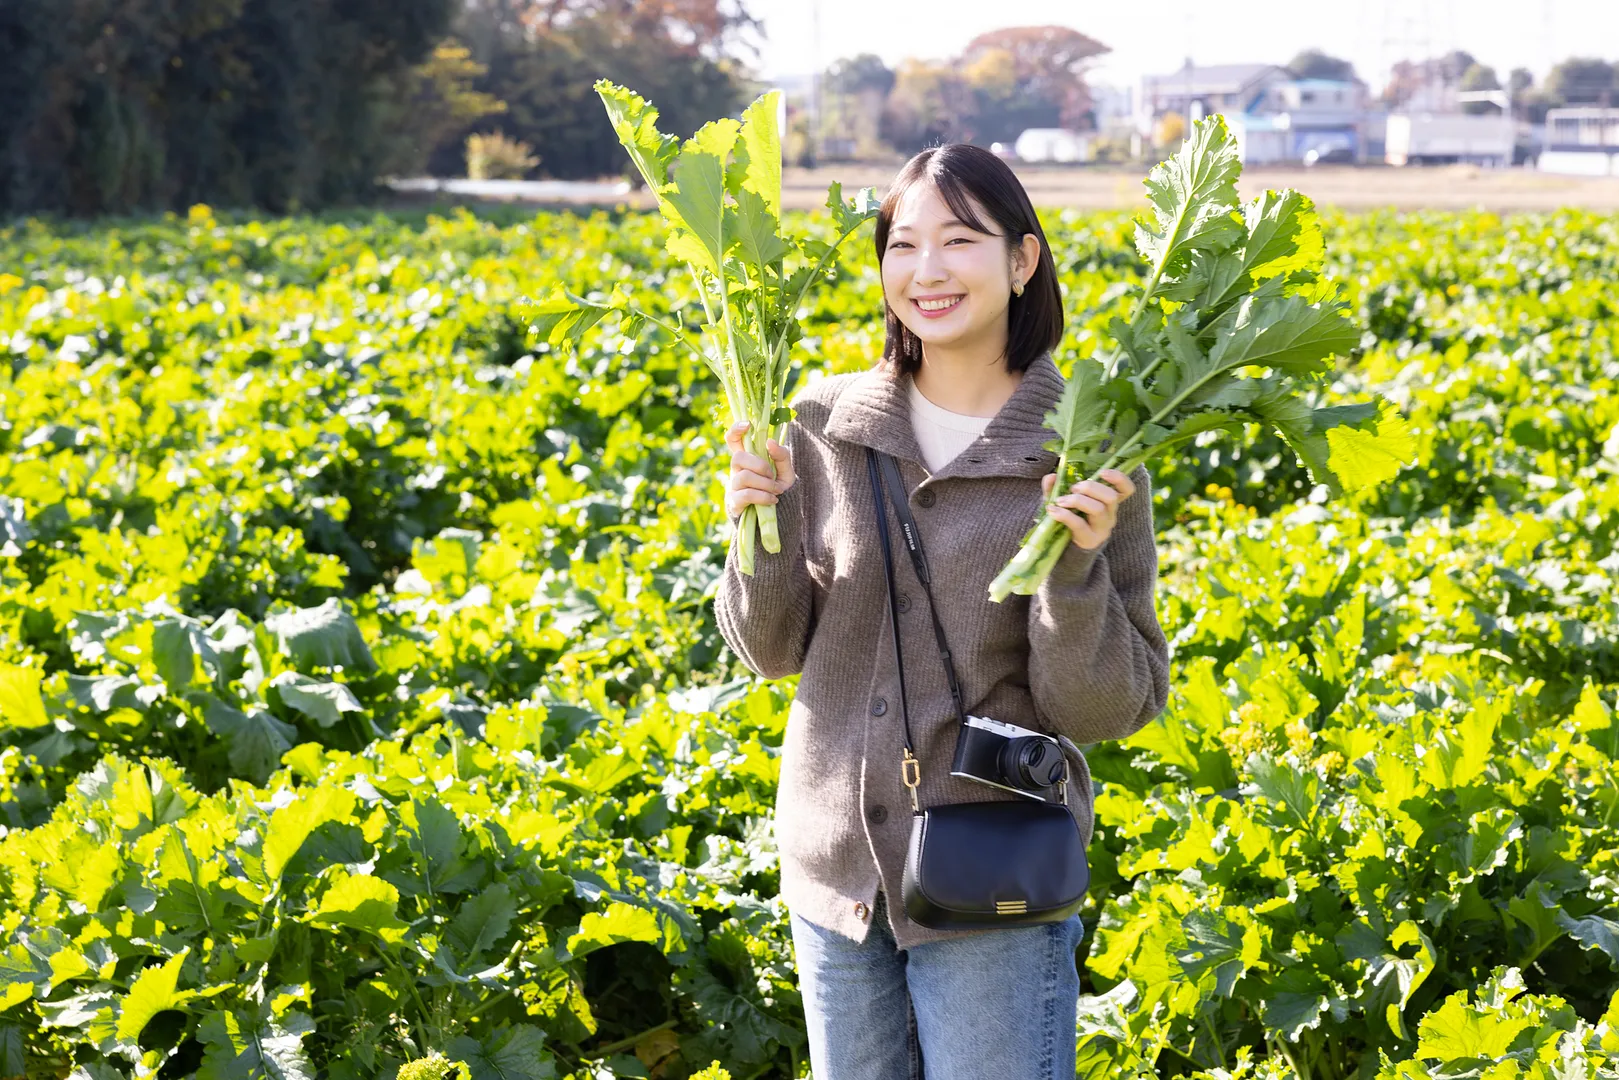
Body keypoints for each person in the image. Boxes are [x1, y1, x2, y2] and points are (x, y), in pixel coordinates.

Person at [713, 142, 1170, 1080]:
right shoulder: (822, 425)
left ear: (1021, 259)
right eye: (902, 244)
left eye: (959, 240)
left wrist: (1073, 569)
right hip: (836, 870)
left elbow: (1104, 711)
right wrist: (752, 525)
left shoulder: (1089, 447)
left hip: (992, 876)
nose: (926, 270)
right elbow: (770, 649)